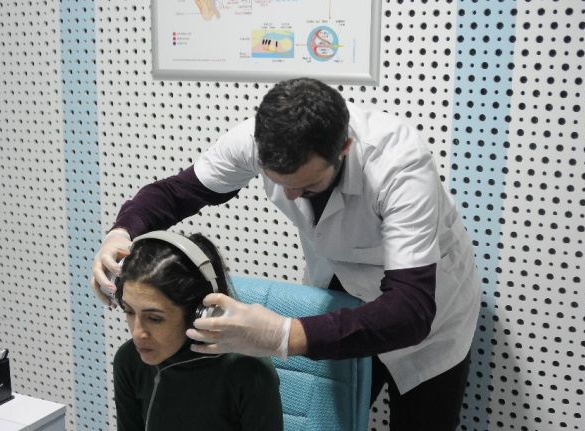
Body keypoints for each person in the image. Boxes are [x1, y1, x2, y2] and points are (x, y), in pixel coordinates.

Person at [93, 77, 481, 430]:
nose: (292, 197)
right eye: (279, 183)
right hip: (337, 289)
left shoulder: (399, 167)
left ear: (344, 149)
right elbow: (175, 193)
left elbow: (410, 311)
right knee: (330, 419)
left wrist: (283, 334)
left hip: (425, 314)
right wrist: (121, 232)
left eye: (307, 186)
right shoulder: (253, 140)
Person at [112, 231, 283, 431]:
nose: (137, 333)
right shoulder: (129, 360)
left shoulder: (248, 371)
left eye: (155, 318)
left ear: (199, 314)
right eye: (129, 311)